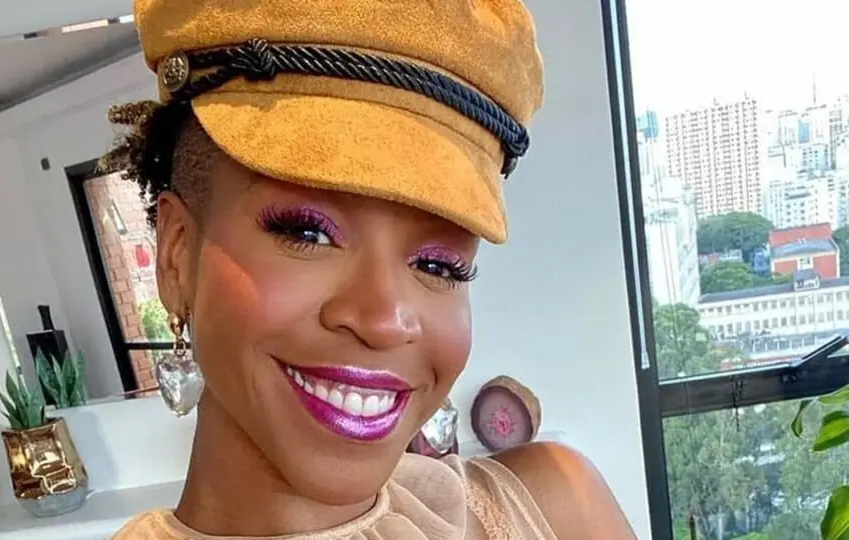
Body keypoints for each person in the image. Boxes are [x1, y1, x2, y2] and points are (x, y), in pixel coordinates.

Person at [109, 0, 636, 538]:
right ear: (176, 257)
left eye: (438, 264)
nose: (385, 320)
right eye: (308, 233)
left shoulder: (555, 508)